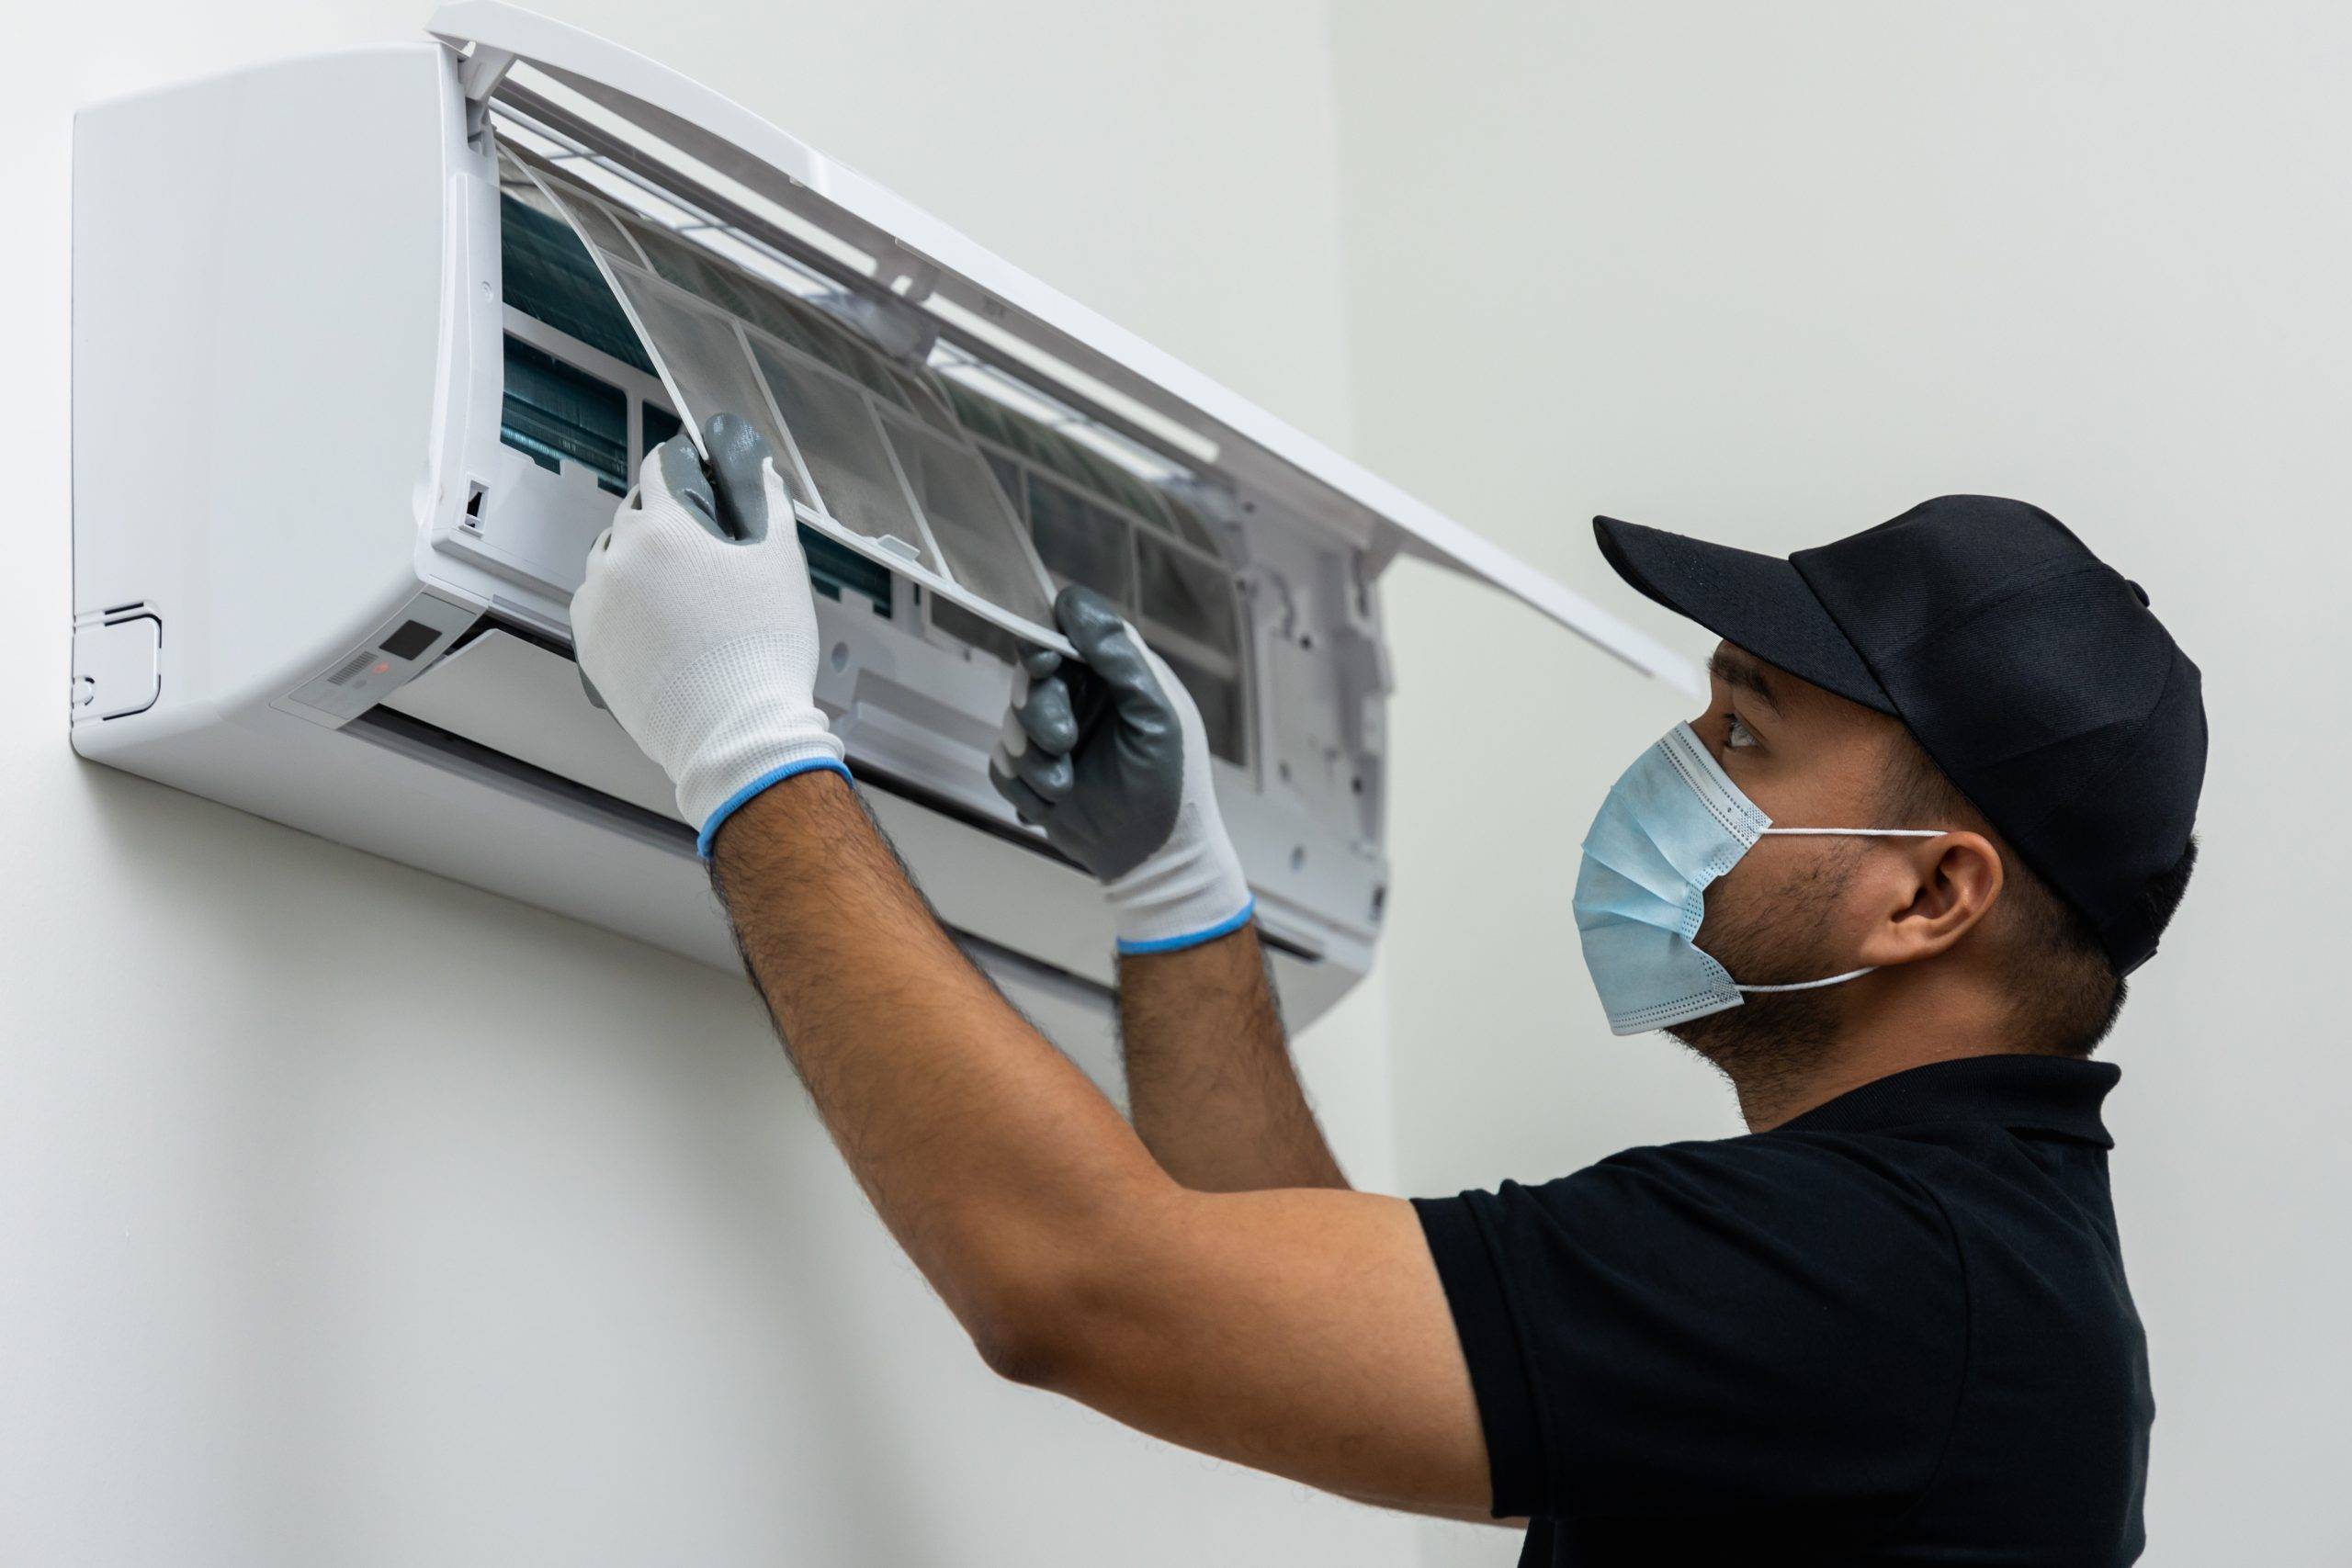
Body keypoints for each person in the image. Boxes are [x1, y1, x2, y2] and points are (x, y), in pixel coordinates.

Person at [570, 412, 2204, 1565]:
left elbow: (1078, 1287)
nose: (1681, 772)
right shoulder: (1961, 1263)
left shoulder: (1884, 1273)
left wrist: (743, 732)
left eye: (1745, 735)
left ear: (1931, 894)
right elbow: (1272, 1293)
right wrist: (1178, 887)